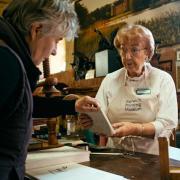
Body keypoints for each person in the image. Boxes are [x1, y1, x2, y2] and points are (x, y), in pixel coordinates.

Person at [0, 0, 99, 179]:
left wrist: (73, 105)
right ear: (36, 29)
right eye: (57, 40)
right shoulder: (6, 61)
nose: (54, 51)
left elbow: (20, 104)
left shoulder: (9, 56)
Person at [78, 24, 178, 155]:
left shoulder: (163, 79)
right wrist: (90, 120)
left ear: (147, 52)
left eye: (134, 50)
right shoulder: (110, 79)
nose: (127, 56)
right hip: (114, 153)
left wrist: (136, 129)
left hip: (151, 156)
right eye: (123, 50)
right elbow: (99, 115)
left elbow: (167, 123)